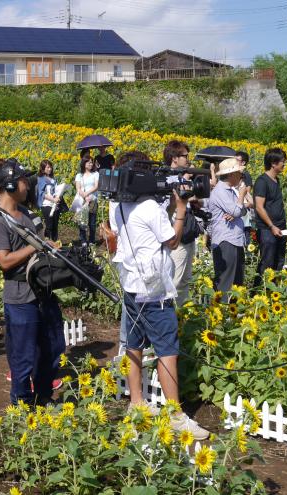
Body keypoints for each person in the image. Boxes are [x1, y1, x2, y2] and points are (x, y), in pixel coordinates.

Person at [115, 181, 209, 440]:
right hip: (155, 291)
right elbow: (173, 240)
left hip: (132, 286)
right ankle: (175, 415)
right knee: (167, 350)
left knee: (134, 345)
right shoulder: (149, 207)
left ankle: (136, 402)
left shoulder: (121, 206)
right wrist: (180, 209)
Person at [0, 160, 65, 405]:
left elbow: (37, 247)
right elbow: (5, 262)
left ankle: (43, 396)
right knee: (23, 356)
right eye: (22, 180)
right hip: (19, 297)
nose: (27, 184)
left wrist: (47, 248)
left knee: (53, 347)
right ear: (9, 185)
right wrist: (34, 247)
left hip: (43, 292)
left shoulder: (28, 214)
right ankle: (22, 403)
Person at [108, 151, 150, 351]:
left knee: (138, 307)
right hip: (128, 259)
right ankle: (126, 349)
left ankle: (134, 347)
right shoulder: (119, 199)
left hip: (138, 260)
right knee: (131, 308)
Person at [162, 140, 197, 306]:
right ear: (174, 158)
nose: (188, 159)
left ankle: (181, 315)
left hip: (188, 232)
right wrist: (184, 180)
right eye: (185, 156)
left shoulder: (183, 177)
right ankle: (170, 313)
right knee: (174, 280)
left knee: (185, 279)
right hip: (176, 235)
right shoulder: (166, 178)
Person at [208, 158, 248, 300]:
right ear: (231, 174)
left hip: (235, 239)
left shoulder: (230, 191)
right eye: (239, 173)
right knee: (226, 282)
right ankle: (221, 314)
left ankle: (233, 314)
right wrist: (242, 196)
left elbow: (242, 211)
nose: (241, 176)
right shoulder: (220, 191)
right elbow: (238, 211)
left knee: (237, 282)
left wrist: (236, 211)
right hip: (226, 240)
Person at [253, 148, 287, 286]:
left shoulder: (275, 180)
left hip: (280, 227)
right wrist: (271, 226)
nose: (284, 164)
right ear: (273, 163)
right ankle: (259, 292)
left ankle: (274, 293)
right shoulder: (262, 181)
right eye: (282, 162)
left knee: (278, 261)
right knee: (267, 262)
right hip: (268, 230)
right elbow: (259, 207)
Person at [74, 154, 99, 245]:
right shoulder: (79, 175)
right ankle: (83, 240)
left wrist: (87, 194)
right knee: (82, 222)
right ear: (84, 163)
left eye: (91, 162)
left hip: (93, 200)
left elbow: (96, 186)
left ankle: (92, 240)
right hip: (83, 201)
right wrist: (84, 196)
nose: (90, 164)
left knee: (92, 223)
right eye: (88, 162)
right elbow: (78, 188)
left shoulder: (95, 174)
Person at [36, 159, 61, 241]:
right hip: (46, 204)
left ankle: (55, 242)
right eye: (47, 167)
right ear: (43, 169)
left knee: (55, 225)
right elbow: (41, 193)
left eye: (50, 167)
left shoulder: (53, 179)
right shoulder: (41, 179)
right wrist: (53, 199)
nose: (49, 169)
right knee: (49, 224)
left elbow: (57, 190)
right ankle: (47, 242)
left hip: (55, 205)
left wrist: (58, 196)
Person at [235, 151, 254, 246]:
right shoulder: (233, 174)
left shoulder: (246, 175)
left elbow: (247, 194)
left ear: (243, 163)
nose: (234, 161)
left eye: (237, 160)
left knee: (244, 241)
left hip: (244, 213)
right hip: (235, 212)